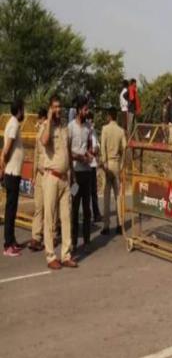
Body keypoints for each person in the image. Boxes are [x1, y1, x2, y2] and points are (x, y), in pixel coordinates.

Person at [41, 94, 77, 269]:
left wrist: (73, 174)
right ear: (50, 108)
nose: (58, 109)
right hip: (51, 177)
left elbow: (68, 151)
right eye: (55, 107)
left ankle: (66, 254)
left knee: (66, 217)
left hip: (65, 178)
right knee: (50, 218)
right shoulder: (47, 127)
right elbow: (44, 141)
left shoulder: (64, 128)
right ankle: (50, 256)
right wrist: (48, 119)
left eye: (60, 106)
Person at [1, 99, 25, 257]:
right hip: (11, 173)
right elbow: (7, 148)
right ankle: (8, 245)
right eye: (24, 109)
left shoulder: (12, 122)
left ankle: (12, 240)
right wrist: (3, 166)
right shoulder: (14, 123)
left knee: (12, 208)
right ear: (20, 110)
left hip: (12, 172)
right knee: (10, 210)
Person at [68, 96, 93, 251]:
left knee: (87, 209)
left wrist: (90, 154)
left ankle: (87, 241)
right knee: (74, 209)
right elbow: (67, 151)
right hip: (75, 174)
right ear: (78, 110)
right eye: (85, 109)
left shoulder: (88, 127)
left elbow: (90, 146)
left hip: (87, 173)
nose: (87, 111)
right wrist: (79, 157)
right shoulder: (70, 127)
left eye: (87, 109)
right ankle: (74, 242)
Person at [100, 107, 127, 235]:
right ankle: (120, 224)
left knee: (106, 196)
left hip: (108, 164)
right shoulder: (121, 131)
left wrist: (104, 163)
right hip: (117, 164)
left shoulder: (105, 129)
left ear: (109, 116)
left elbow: (103, 149)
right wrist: (122, 166)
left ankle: (106, 226)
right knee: (118, 196)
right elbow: (125, 149)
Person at [29, 108, 48, 252]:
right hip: (49, 173)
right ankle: (50, 236)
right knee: (50, 208)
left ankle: (36, 237)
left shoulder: (38, 132)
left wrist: (33, 174)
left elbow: (35, 156)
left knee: (38, 208)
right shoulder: (50, 130)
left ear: (41, 118)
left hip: (41, 174)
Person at [87, 112, 102, 223]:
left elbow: (97, 146)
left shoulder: (94, 133)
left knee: (93, 191)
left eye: (92, 120)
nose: (92, 123)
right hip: (83, 167)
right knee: (77, 191)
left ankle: (96, 214)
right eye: (90, 120)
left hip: (92, 165)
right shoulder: (84, 132)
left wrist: (95, 149)